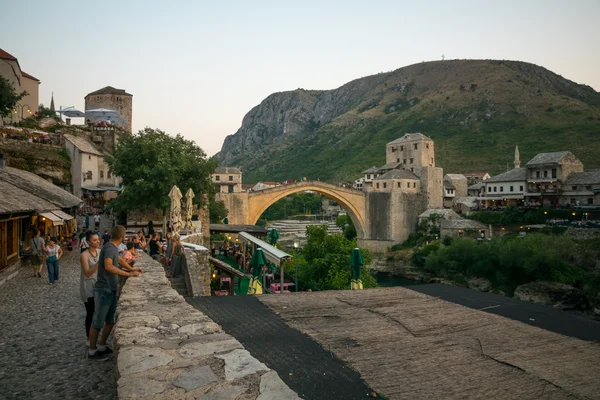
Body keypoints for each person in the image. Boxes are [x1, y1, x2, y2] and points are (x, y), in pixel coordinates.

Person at [88, 225, 142, 360]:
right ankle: (92, 351)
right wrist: (127, 274)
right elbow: (108, 265)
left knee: (110, 321)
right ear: (123, 237)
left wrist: (131, 269)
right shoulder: (109, 248)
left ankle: (101, 346)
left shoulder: (111, 248)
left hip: (110, 289)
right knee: (97, 322)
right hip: (104, 289)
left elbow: (120, 260)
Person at [80, 231, 100, 344]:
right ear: (88, 242)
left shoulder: (100, 252)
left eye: (98, 239)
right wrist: (98, 264)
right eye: (95, 240)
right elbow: (87, 273)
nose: (98, 241)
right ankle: (89, 337)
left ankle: (95, 336)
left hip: (98, 284)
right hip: (88, 286)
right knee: (91, 311)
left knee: (98, 312)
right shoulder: (84, 255)